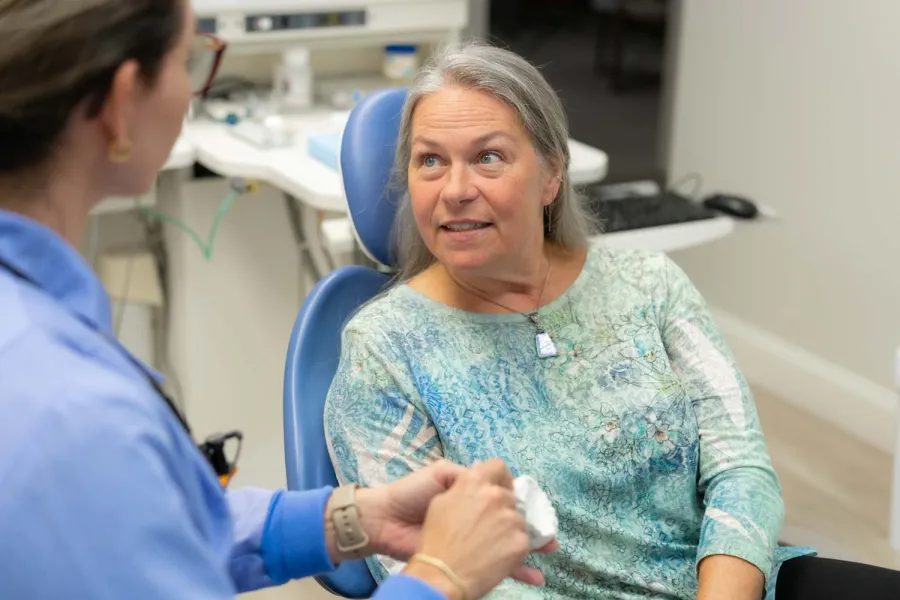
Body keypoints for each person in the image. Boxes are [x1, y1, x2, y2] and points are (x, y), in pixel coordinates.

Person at [0, 3, 557, 599]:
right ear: (120, 103)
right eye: (186, 61)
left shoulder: (41, 337)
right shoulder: (66, 412)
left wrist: (352, 520)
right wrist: (439, 577)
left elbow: (145, 529)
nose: (193, 88)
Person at [325, 42, 900, 599]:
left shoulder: (648, 284)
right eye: (431, 161)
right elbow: (441, 574)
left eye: (488, 157)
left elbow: (741, 470)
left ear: (552, 175)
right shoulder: (384, 351)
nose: (455, 189)